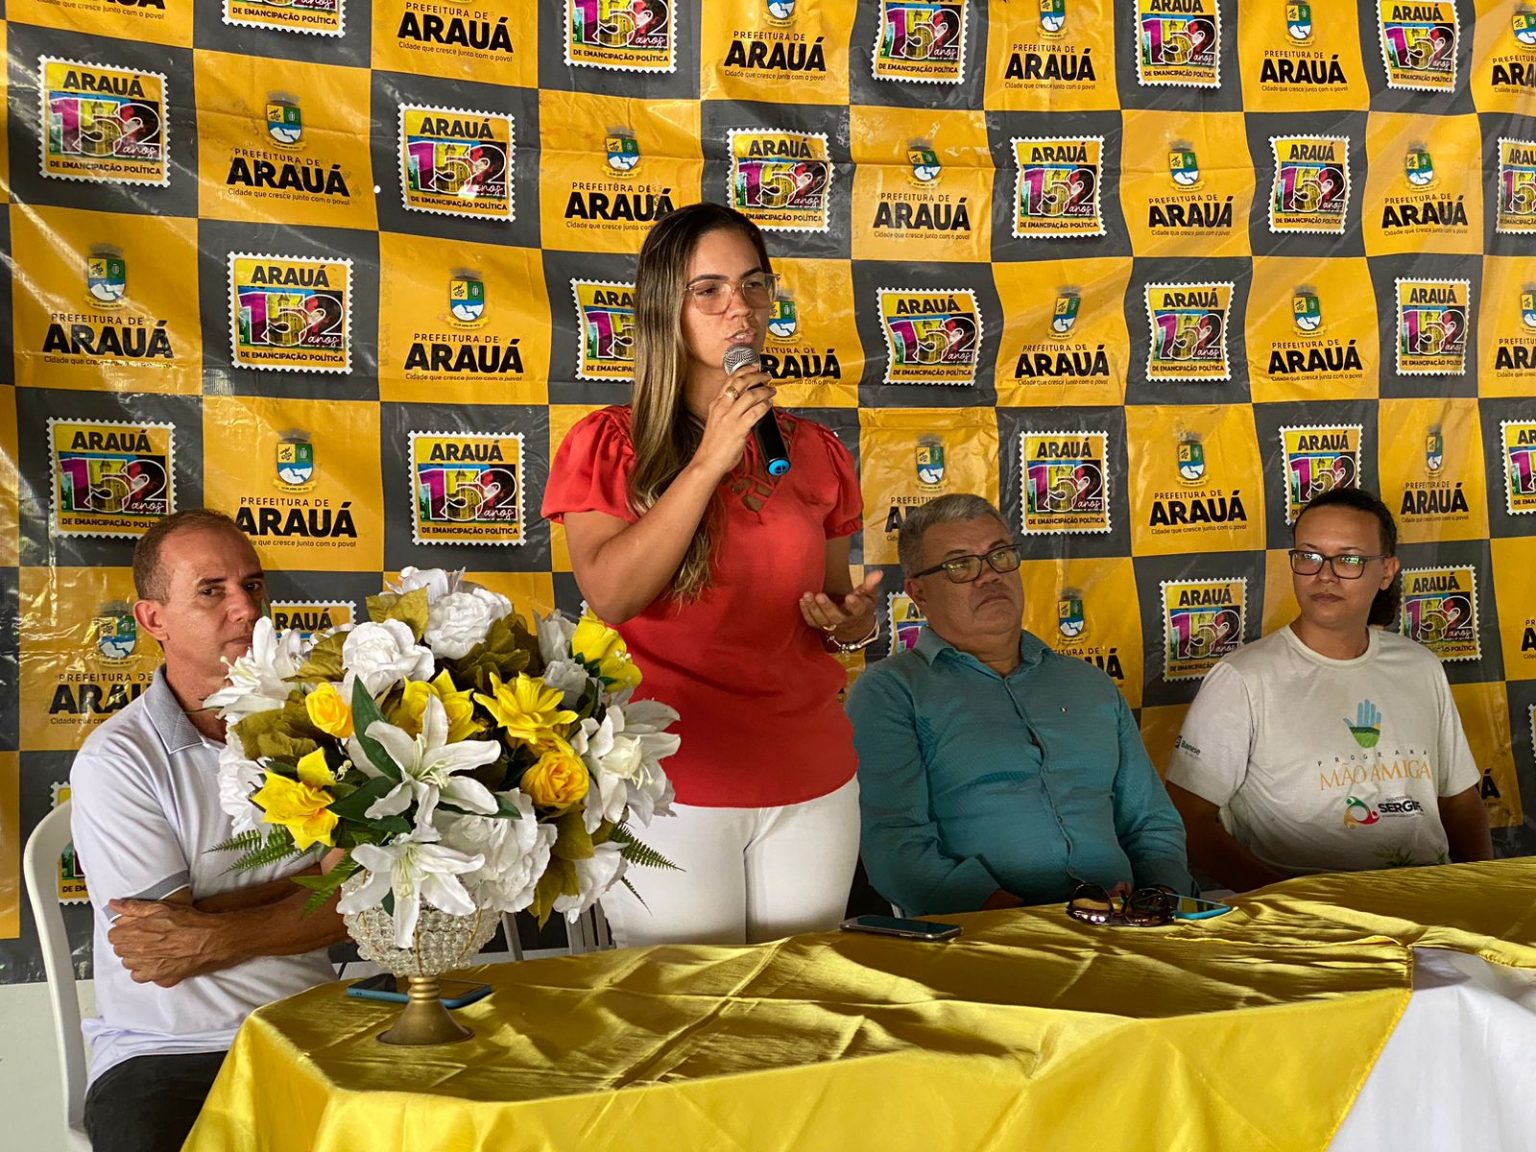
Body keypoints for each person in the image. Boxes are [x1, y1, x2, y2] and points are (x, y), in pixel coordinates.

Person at [542, 203, 881, 947]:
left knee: (797, 993)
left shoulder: (814, 450)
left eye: (755, 285)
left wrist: (853, 622)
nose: (741, 308)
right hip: (671, 778)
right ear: (665, 307)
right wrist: (706, 463)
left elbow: (830, 608)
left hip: (811, 772)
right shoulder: (608, 442)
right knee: (688, 1002)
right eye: (710, 290)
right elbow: (612, 594)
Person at [69, 510, 345, 1152]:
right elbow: (162, 955)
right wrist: (319, 885)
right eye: (211, 591)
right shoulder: (118, 759)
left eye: (252, 585)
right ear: (153, 620)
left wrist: (207, 925)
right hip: (167, 1055)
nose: (245, 608)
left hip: (314, 1030)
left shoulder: (319, 723)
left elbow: (364, 905)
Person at [846, 494, 1193, 917]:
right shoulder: (892, 692)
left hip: (1129, 924)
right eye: (960, 565)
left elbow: (1152, 822)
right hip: (986, 934)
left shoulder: (1089, 684)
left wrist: (1157, 898)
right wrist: (1026, 919)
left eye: (1000, 556)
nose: (989, 575)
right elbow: (895, 848)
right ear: (918, 592)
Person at [1165, 487, 1493, 890]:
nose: (1325, 575)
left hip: (1426, 904)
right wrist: (1290, 903)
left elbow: (1459, 802)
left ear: (1387, 571)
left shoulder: (1420, 667)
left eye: (1349, 559)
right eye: (1309, 556)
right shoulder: (1243, 679)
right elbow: (1188, 818)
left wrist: (1480, 891)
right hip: (1304, 920)